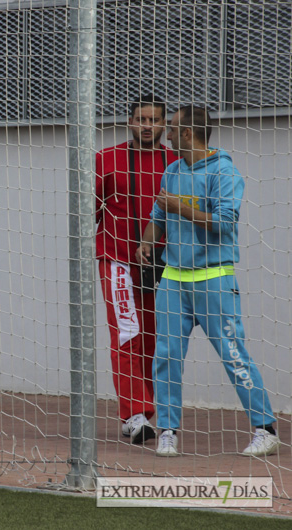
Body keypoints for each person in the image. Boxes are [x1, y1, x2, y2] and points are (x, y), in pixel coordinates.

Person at [137, 105, 279, 457]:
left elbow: (224, 223)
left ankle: (266, 429)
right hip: (172, 279)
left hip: (214, 279)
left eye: (170, 128)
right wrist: (145, 242)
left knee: (234, 355)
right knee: (166, 356)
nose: (165, 133)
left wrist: (179, 208)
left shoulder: (224, 171)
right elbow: (159, 215)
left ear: (187, 133)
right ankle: (167, 430)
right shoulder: (171, 170)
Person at [96, 95, 177, 444]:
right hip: (117, 262)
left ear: (164, 125)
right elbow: (90, 209)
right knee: (126, 333)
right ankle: (134, 414)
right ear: (130, 122)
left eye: (154, 120)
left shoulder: (176, 163)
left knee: (153, 338)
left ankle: (149, 410)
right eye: (141, 119)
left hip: (165, 264)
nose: (147, 126)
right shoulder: (106, 159)